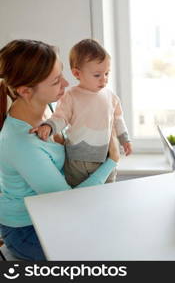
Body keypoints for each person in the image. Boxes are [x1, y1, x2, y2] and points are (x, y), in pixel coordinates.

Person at [0, 39, 120, 260]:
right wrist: (112, 160)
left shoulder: (51, 107)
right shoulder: (21, 142)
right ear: (26, 91)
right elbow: (65, 200)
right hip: (27, 229)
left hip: (51, 210)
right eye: (56, 81)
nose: (66, 84)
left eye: (62, 74)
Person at [31, 39, 132, 187]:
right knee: (77, 194)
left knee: (108, 191)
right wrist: (49, 126)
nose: (104, 79)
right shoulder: (70, 95)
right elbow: (60, 117)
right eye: (97, 75)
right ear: (77, 73)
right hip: (76, 160)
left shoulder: (111, 96)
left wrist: (125, 139)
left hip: (104, 157)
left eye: (107, 73)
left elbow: (118, 120)